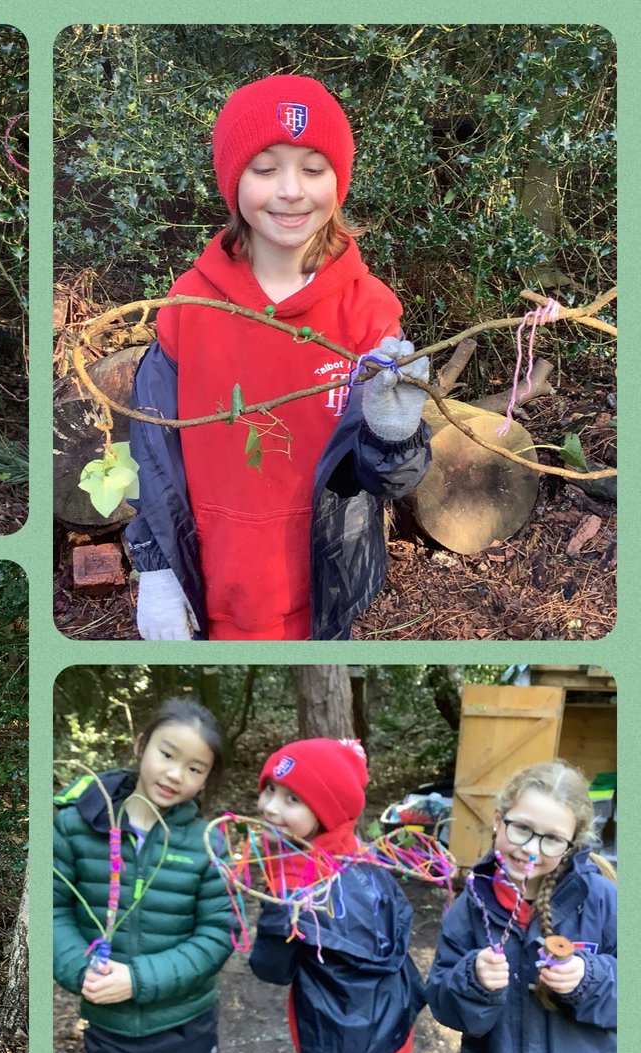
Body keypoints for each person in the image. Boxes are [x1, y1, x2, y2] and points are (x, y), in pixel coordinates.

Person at [126, 74, 432, 640]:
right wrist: (157, 569)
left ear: (338, 182)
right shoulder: (188, 306)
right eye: (265, 169)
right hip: (208, 587)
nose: (291, 191)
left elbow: (387, 482)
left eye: (313, 170)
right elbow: (153, 451)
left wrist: (394, 434)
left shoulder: (369, 312)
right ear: (233, 181)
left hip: (323, 596)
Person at [52, 698, 234, 1053]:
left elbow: (218, 933)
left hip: (186, 1016)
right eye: (167, 754)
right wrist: (79, 969)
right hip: (110, 1023)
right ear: (141, 746)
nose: (175, 774)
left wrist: (139, 979)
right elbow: (54, 910)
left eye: (194, 768)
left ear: (206, 778)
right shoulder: (76, 823)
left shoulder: (207, 843)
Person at [426, 761, 616, 1053]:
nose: (531, 849)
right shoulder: (469, 909)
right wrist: (473, 982)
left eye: (552, 839)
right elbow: (441, 1001)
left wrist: (591, 979)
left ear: (571, 844)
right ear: (498, 820)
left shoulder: (603, 901)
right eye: (522, 829)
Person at [247, 738, 425, 1053]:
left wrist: (277, 910)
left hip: (344, 1051)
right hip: (391, 1033)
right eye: (270, 789)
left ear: (326, 813)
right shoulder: (363, 861)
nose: (271, 807)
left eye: (292, 799)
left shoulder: (298, 886)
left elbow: (271, 968)